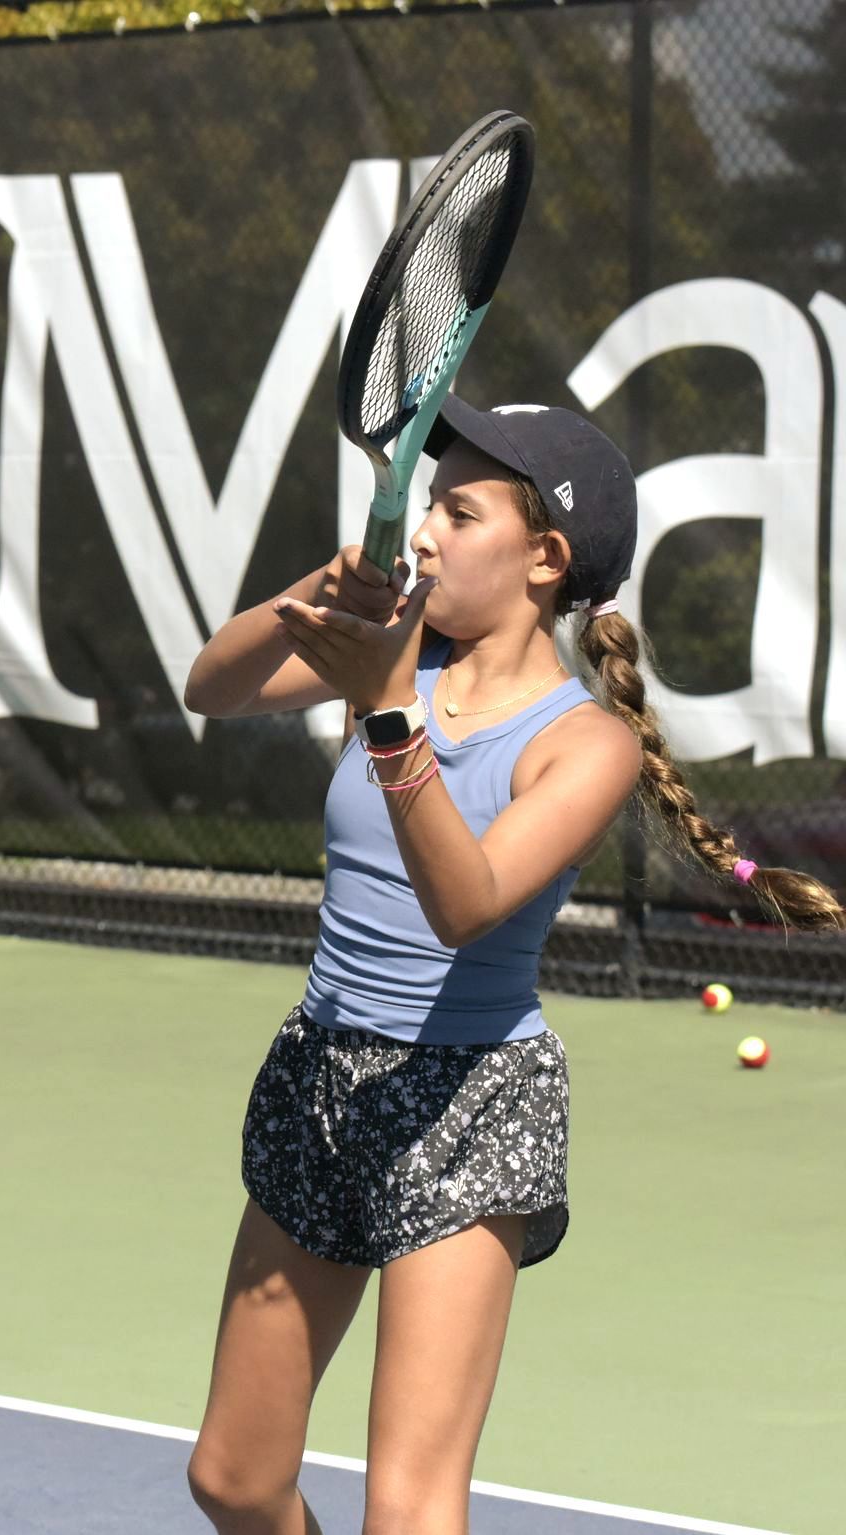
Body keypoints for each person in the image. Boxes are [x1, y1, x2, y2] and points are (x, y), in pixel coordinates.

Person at [177, 397, 842, 1535]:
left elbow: (467, 908)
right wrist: (328, 595)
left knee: (411, 1506)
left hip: (471, 1103)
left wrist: (389, 716)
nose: (426, 529)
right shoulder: (401, 654)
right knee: (233, 1480)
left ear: (545, 559)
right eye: (430, 502)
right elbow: (212, 684)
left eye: (461, 509)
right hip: (321, 1076)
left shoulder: (587, 744)